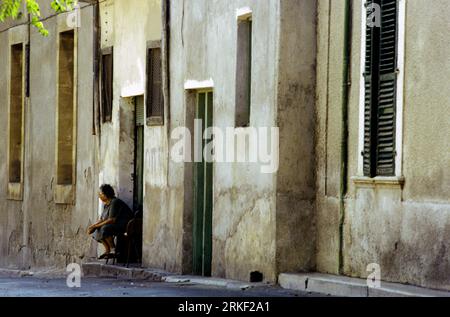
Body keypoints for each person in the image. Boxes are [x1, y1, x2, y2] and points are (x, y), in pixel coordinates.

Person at [88, 184, 134, 259]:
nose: (99, 196)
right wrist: (93, 226)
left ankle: (113, 249)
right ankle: (107, 251)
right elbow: (102, 219)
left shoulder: (114, 202)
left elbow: (111, 220)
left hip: (125, 225)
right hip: (116, 224)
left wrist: (96, 226)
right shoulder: (106, 204)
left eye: (101, 194)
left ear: (106, 194)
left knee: (105, 228)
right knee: (97, 230)